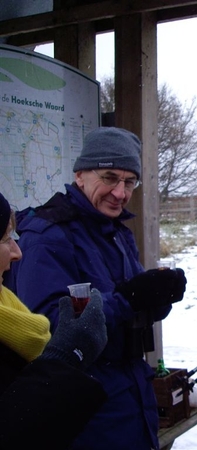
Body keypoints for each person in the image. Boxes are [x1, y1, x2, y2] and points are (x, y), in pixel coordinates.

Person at [8, 127, 187, 450]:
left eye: (129, 182)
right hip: (87, 410)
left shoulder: (116, 231)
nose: (120, 193)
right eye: (109, 177)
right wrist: (129, 298)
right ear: (80, 175)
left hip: (132, 396)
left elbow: (129, 305)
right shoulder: (48, 233)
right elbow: (48, 328)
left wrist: (159, 295)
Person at [0, 191, 108, 448]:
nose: (17, 252)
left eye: (130, 182)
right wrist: (65, 356)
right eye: (5, 238)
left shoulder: (8, 308)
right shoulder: (47, 236)